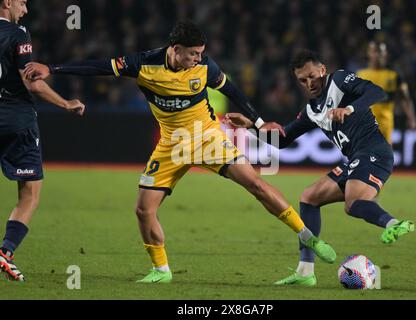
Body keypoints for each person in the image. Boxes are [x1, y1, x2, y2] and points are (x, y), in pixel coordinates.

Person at [24, 22, 337, 283]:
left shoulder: (206, 67)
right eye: (192, 54)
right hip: (171, 145)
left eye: (201, 54)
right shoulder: (142, 64)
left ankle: (308, 235)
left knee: (255, 184)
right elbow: (97, 68)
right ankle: (161, 269)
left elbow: (232, 90)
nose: (198, 59)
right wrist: (52, 68)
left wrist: (257, 121)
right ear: (175, 49)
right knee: (143, 209)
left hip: (208, 139)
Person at [224, 50, 415, 287]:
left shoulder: (340, 80)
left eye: (312, 76)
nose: (309, 83)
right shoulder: (312, 110)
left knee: (352, 204)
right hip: (355, 159)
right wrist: (250, 126)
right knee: (309, 198)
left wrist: (349, 109)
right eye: (303, 80)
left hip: (375, 153)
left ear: (322, 70)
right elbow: (282, 140)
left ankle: (392, 223)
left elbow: (377, 91)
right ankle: (305, 272)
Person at [0, 0, 85, 281]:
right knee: (29, 194)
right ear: (7, 2)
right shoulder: (18, 32)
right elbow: (32, 81)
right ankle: (6, 251)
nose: (25, 10)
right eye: (22, 2)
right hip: (17, 121)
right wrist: (65, 103)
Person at [357, 41, 416, 144]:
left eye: (381, 52)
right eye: (375, 51)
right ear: (369, 53)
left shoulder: (393, 76)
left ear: (386, 54)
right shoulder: (360, 75)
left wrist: (411, 117)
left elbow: (405, 98)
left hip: (384, 125)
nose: (378, 55)